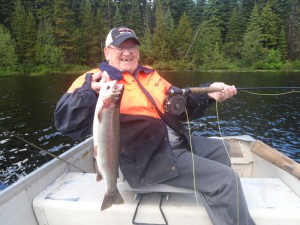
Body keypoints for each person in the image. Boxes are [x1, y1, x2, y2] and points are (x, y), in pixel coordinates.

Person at [54, 26, 255, 225]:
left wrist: (209, 93)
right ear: (107, 52)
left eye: (132, 48)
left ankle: (218, 205)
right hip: (148, 159)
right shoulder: (95, 79)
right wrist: (90, 92)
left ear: (138, 52)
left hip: (172, 142)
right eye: (120, 47)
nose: (127, 53)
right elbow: (66, 121)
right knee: (226, 180)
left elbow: (181, 105)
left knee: (223, 149)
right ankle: (220, 192)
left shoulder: (150, 75)